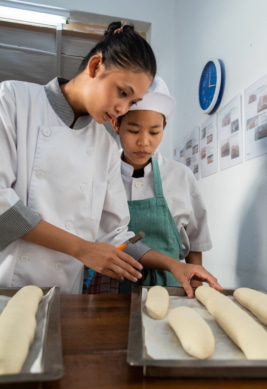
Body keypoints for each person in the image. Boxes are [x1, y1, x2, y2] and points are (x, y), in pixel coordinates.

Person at [0, 21, 156, 294]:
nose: (122, 109)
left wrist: (175, 265)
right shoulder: (13, 99)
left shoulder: (105, 146)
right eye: (122, 92)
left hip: (66, 297)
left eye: (132, 102)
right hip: (7, 288)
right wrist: (83, 249)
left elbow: (115, 232)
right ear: (95, 67)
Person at [87, 75, 222, 295]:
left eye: (154, 132)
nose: (144, 142)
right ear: (116, 124)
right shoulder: (100, 175)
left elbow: (195, 243)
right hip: (112, 288)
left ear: (164, 127)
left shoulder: (181, 177)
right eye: (133, 131)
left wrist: (195, 293)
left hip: (169, 287)